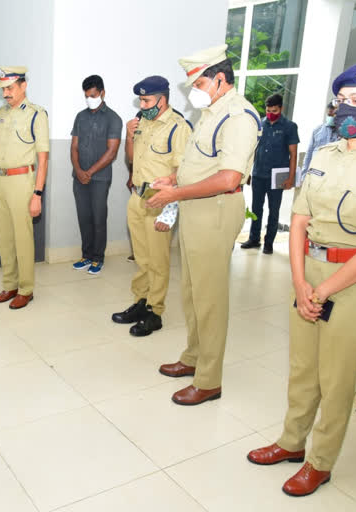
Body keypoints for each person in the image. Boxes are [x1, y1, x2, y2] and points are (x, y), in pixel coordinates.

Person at [247, 63, 356, 497]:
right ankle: (291, 443)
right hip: (309, 272)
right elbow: (300, 220)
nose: (346, 107)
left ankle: (320, 462)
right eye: (342, 98)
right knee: (302, 369)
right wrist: (302, 283)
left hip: (355, 281)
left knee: (337, 376)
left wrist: (322, 290)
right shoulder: (323, 153)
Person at [149, 44, 261, 405]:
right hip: (196, 206)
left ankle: (210, 379)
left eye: (198, 83)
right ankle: (194, 357)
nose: (194, 90)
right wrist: (173, 180)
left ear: (220, 79)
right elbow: (200, 163)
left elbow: (229, 178)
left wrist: (176, 194)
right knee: (193, 292)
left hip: (215, 209)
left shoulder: (238, 117)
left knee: (210, 297)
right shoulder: (211, 113)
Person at [110, 76, 190, 337]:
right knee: (142, 258)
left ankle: (155, 312)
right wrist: (129, 136)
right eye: (140, 100)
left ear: (162, 98)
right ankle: (141, 302)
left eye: (146, 100)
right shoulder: (141, 121)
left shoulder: (179, 127)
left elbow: (182, 172)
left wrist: (170, 210)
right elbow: (131, 159)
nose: (142, 105)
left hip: (159, 200)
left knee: (158, 260)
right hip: (136, 198)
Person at [0, 66, 49, 310]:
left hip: (23, 181)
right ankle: (9, 284)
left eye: (10, 88)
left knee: (23, 238)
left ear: (23, 86)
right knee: (4, 237)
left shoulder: (36, 114)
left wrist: (37, 194)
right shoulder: (1, 113)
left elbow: (43, 158)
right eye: (3, 89)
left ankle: (25, 289)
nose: (6, 93)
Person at [70, 75, 122, 275]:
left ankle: (98, 258)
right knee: (84, 216)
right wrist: (79, 171)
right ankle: (86, 255)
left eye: (93, 95)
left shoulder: (113, 119)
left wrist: (89, 172)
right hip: (79, 177)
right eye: (86, 96)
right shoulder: (80, 117)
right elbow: (74, 146)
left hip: (100, 178)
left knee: (98, 217)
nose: (89, 99)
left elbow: (112, 152)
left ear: (102, 93)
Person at [240, 93, 299, 254]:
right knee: (255, 208)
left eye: (274, 110)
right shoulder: (260, 124)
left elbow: (293, 154)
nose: (270, 113)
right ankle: (254, 239)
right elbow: (252, 149)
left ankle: (269, 242)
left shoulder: (289, 127)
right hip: (259, 174)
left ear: (281, 108)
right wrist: (248, 172)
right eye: (268, 110)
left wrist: (291, 177)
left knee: (274, 210)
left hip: (277, 177)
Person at [300, 102, 339, 178]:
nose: (330, 117)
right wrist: (304, 175)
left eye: (333, 115)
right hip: (315, 172)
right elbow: (309, 153)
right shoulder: (317, 130)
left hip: (332, 175)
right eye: (329, 115)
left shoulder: (344, 134)